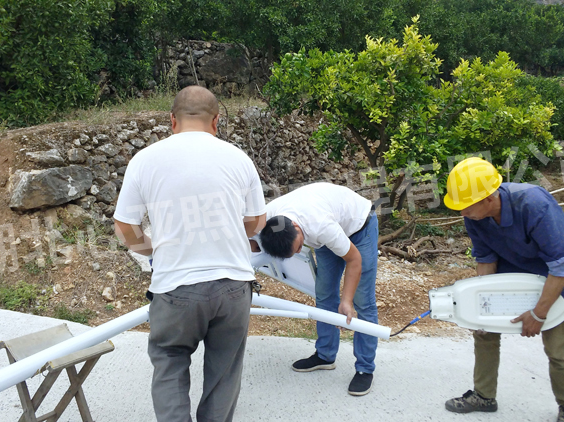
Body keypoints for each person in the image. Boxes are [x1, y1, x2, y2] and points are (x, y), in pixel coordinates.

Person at [113, 86, 266, 422]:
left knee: (169, 362)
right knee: (224, 374)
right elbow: (256, 223)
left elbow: (124, 226)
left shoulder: (145, 160)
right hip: (232, 284)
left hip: (175, 287)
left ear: (172, 120)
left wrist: (154, 252)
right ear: (216, 121)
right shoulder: (239, 159)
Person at [442, 157, 564, 422]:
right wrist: (480, 307)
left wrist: (539, 313)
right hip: (512, 273)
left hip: (555, 277)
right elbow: (485, 259)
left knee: (558, 349)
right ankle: (484, 396)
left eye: (465, 205)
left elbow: (560, 266)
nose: (461, 212)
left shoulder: (535, 205)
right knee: (483, 332)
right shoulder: (475, 216)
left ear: (489, 198)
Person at [257, 182, 379, 396]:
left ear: (296, 228)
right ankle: (325, 355)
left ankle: (364, 369)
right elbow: (251, 236)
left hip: (359, 228)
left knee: (362, 301)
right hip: (324, 238)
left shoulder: (319, 225)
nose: (296, 254)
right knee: (324, 295)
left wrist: (346, 301)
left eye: (297, 249)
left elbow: (354, 260)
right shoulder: (271, 221)